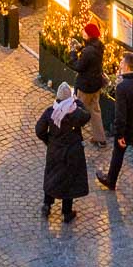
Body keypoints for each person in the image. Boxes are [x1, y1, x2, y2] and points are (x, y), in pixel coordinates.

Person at [97, 50, 133, 210]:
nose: (120, 66)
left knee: (118, 155)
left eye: (122, 63)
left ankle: (111, 180)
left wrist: (119, 134)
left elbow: (120, 115)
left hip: (128, 131)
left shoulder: (123, 87)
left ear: (128, 67)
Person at [36, 81, 90, 222]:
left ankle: (47, 205)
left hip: (55, 150)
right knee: (69, 181)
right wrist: (77, 102)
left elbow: (39, 130)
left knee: (51, 176)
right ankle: (67, 212)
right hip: (72, 152)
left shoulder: (51, 112)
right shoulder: (76, 112)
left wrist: (48, 140)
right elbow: (87, 115)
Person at [70, 19, 108, 149]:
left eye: (84, 31)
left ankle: (74, 137)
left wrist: (73, 53)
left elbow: (78, 66)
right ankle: (100, 138)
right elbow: (90, 55)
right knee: (95, 111)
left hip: (85, 87)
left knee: (78, 110)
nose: (82, 32)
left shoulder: (88, 52)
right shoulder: (98, 46)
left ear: (89, 34)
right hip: (96, 85)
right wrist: (82, 47)